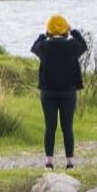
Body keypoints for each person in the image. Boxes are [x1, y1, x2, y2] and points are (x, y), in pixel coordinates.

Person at [31, 15, 88, 170]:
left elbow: (34, 47)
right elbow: (84, 44)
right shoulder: (73, 46)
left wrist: (44, 35)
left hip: (48, 92)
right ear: (65, 30)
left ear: (49, 30)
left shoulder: (44, 47)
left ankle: (49, 162)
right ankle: (70, 162)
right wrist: (73, 30)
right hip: (68, 92)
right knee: (67, 127)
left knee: (50, 127)